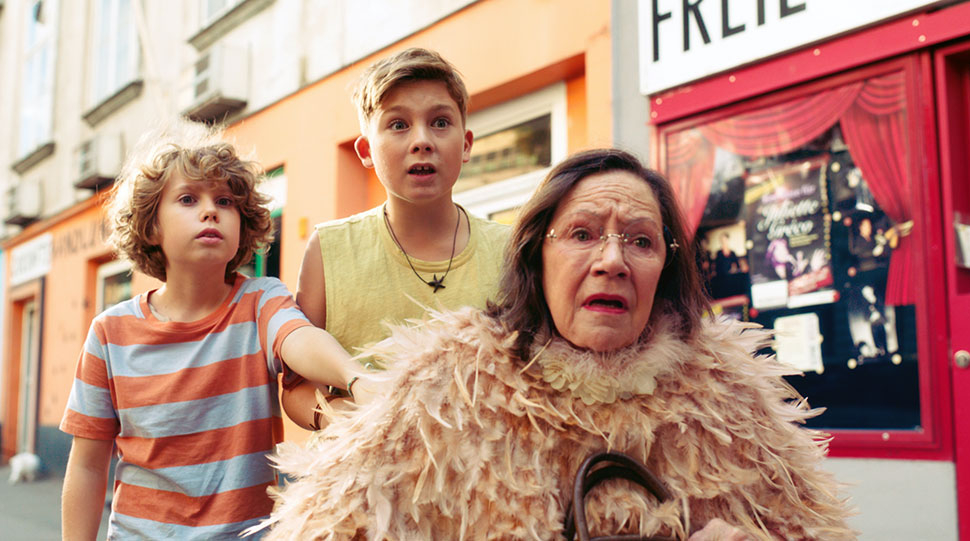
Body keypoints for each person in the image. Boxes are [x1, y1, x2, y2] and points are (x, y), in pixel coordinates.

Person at [254, 149, 854, 540]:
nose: (612, 260)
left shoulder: (731, 405)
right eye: (583, 235)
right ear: (536, 256)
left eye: (641, 241)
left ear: (664, 271)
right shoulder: (443, 393)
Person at [59, 124, 370, 540]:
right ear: (151, 227)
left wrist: (357, 378)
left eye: (224, 201)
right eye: (188, 199)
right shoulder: (109, 333)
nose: (211, 211)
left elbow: (300, 339)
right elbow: (86, 464)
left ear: (243, 224)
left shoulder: (261, 301)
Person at [281, 47, 509, 430]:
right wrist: (341, 421)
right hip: (367, 479)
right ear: (366, 151)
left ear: (466, 144)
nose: (421, 140)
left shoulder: (512, 249)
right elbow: (297, 388)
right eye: (398, 125)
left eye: (439, 122)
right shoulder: (329, 250)